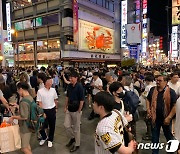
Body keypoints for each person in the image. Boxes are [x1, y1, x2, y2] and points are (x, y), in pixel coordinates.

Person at [146, 75, 177, 154]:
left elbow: (175, 105)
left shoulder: (171, 92)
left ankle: (171, 151)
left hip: (166, 118)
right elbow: (148, 99)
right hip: (155, 118)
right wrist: (148, 110)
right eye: (157, 80)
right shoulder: (153, 90)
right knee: (154, 137)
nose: (157, 82)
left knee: (169, 136)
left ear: (166, 82)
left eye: (160, 81)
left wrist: (169, 117)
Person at [9, 82, 33, 154]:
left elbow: (24, 116)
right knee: (27, 145)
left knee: (24, 148)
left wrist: (13, 117)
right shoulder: (30, 98)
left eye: (18, 90)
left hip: (25, 127)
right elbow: (27, 111)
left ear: (21, 89)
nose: (18, 92)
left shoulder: (23, 101)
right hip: (30, 125)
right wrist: (17, 106)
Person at [64, 71, 84, 152]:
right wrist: (65, 107)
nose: (70, 79)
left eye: (71, 77)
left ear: (76, 78)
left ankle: (77, 144)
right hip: (69, 108)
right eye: (70, 77)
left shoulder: (79, 86)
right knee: (66, 125)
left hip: (77, 110)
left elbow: (82, 100)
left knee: (76, 128)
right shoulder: (69, 86)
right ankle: (73, 138)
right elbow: (67, 97)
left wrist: (79, 109)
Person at [37, 76, 58, 148]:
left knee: (52, 126)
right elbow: (39, 102)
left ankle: (50, 139)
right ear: (45, 82)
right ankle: (44, 137)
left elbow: (55, 99)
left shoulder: (53, 90)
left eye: (51, 82)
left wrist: (56, 108)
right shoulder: (40, 91)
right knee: (42, 126)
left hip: (52, 109)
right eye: (49, 82)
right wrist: (42, 112)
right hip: (44, 110)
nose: (50, 83)